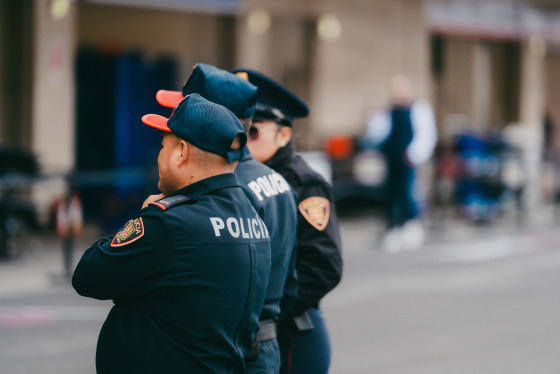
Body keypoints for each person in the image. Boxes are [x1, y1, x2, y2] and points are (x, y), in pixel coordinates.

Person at [72, 93, 271, 374]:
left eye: (163, 146)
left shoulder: (170, 222)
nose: (159, 156)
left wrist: (142, 215)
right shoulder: (254, 216)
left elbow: (88, 275)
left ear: (181, 152)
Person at [155, 62, 298, 374]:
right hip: (265, 342)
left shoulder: (221, 189)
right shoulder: (278, 181)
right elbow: (291, 284)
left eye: (189, 109)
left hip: (228, 350)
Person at [233, 68, 343, 374]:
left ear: (284, 134)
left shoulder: (305, 184)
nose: (243, 140)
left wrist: (265, 312)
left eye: (253, 132)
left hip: (291, 334)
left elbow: (323, 266)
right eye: (239, 130)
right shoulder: (234, 177)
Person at [365, 74, 437, 252]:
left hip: (408, 158)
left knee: (409, 192)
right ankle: (393, 228)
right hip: (391, 158)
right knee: (391, 193)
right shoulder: (387, 110)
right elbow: (376, 133)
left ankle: (411, 225)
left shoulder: (419, 109)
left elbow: (426, 134)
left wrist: (415, 154)